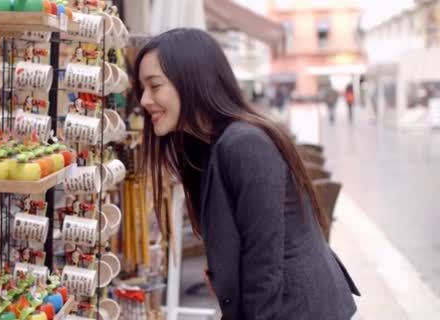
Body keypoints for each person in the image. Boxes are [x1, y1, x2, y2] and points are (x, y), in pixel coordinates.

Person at [134, 28, 359, 320]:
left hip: (298, 309)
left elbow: (264, 258)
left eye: (155, 86)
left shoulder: (244, 142)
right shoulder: (205, 146)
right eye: (142, 89)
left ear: (192, 80)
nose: (144, 101)